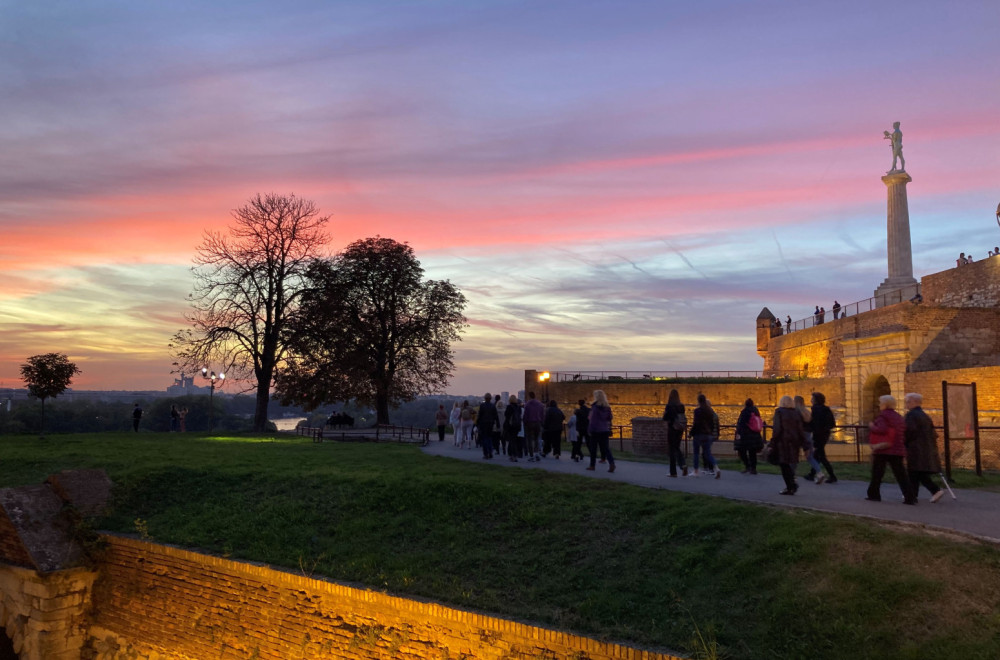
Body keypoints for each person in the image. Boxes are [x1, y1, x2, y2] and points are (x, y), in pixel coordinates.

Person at [866, 395, 916, 504]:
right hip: (897, 448)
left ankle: (874, 494)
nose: (879, 405)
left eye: (880, 403)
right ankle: (910, 497)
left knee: (877, 473)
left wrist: (871, 426)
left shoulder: (883, 416)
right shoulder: (898, 417)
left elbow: (882, 429)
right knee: (901, 475)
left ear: (885, 404)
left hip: (883, 448)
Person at [903, 393, 945, 503]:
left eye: (907, 401)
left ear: (914, 402)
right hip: (925, 446)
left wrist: (904, 443)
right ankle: (912, 495)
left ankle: (934, 490)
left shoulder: (911, 415)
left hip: (915, 447)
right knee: (915, 472)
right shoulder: (924, 415)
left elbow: (909, 431)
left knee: (916, 471)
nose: (906, 404)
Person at [770, 395, 806, 495]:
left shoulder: (779, 412)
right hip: (794, 442)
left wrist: (772, 442)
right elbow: (800, 430)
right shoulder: (796, 413)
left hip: (783, 442)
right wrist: (804, 444)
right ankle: (792, 485)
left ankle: (790, 487)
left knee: (784, 465)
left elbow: (777, 429)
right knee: (789, 464)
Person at [806, 392, 837, 483]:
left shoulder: (815, 409)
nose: (811, 400)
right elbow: (832, 423)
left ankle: (832, 476)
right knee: (818, 455)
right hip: (825, 434)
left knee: (821, 456)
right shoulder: (826, 409)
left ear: (815, 400)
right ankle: (812, 474)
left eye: (812, 398)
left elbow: (814, 424)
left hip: (818, 435)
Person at [796, 395, 826, 483]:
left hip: (799, 435)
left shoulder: (796, 412)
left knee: (794, 455)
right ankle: (820, 473)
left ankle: (792, 475)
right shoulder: (807, 411)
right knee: (810, 457)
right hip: (808, 435)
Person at [690, 394, 720, 479]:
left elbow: (696, 423)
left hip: (699, 434)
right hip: (708, 435)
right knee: (708, 453)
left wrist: (691, 433)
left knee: (696, 453)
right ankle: (716, 468)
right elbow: (712, 424)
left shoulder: (697, 411)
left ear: (698, 401)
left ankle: (696, 471)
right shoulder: (710, 411)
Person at [586, 390, 616, 473]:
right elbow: (610, 418)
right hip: (604, 429)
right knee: (606, 448)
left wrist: (590, 429)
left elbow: (592, 420)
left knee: (593, 449)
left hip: (596, 430)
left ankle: (592, 465)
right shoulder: (607, 407)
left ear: (596, 397)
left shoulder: (595, 407)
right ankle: (612, 463)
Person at [662, 389, 688, 477]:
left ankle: (673, 472)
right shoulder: (681, 406)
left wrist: (665, 413)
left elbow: (665, 418)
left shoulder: (669, 406)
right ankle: (683, 464)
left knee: (672, 450)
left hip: (672, 429)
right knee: (677, 447)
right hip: (680, 429)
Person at [734, 398, 763, 474]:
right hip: (755, 435)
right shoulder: (756, 411)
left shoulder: (745, 412)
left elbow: (741, 423)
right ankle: (753, 468)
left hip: (746, 435)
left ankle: (747, 466)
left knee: (742, 451)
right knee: (752, 452)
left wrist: (738, 433)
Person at [523, 391, 545, 462]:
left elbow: (525, 415)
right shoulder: (540, 404)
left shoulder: (527, 404)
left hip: (529, 423)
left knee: (529, 440)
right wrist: (541, 422)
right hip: (538, 423)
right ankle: (536, 454)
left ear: (529, 396)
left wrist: (525, 422)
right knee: (536, 439)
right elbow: (542, 415)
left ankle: (531, 455)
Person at [477, 393, 498, 459]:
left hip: (483, 423)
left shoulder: (482, 405)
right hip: (490, 423)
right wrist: (497, 423)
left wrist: (477, 423)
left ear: (485, 398)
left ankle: (486, 453)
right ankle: (490, 451)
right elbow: (495, 416)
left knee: (484, 438)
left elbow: (480, 415)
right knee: (489, 438)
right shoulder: (493, 406)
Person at [504, 395, 523, 462]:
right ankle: (514, 455)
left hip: (511, 426)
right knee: (514, 440)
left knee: (512, 441)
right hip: (517, 426)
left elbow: (506, 416)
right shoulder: (518, 407)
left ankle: (513, 455)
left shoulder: (509, 407)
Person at [574, 399, 591, 465]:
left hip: (580, 429)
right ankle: (592, 455)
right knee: (589, 443)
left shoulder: (578, 411)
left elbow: (577, 417)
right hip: (587, 428)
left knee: (578, 443)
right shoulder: (589, 410)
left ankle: (577, 456)